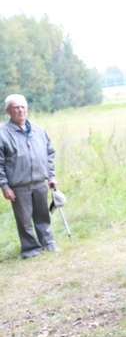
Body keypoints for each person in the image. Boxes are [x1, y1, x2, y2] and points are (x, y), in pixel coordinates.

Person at [0, 94, 59, 259]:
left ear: (27, 108)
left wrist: (51, 176)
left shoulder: (38, 130)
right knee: (24, 221)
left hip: (40, 182)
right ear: (8, 111)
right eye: (16, 107)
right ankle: (31, 250)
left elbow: (49, 154)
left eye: (22, 107)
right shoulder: (2, 133)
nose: (20, 110)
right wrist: (4, 186)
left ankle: (48, 244)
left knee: (43, 216)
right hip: (19, 186)